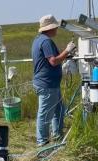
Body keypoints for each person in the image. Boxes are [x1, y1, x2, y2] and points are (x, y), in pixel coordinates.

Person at [31, 14, 75, 147]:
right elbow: (53, 61)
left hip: (50, 84)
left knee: (60, 110)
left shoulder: (39, 40)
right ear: (50, 28)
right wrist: (67, 50)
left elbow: (52, 59)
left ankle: (57, 137)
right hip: (47, 85)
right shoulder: (46, 42)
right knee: (44, 115)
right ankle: (42, 144)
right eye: (55, 27)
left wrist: (66, 55)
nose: (56, 29)